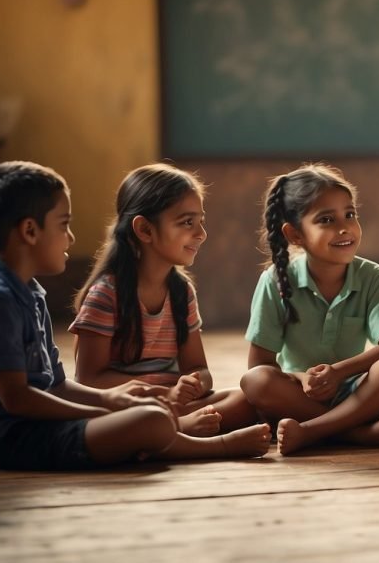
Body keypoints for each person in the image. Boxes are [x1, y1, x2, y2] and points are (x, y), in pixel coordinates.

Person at [0, 161, 270, 470]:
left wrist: (116, 401)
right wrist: (106, 409)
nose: (70, 237)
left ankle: (154, 433)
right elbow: (17, 400)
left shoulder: (27, 292)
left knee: (229, 401)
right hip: (9, 440)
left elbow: (54, 384)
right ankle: (211, 445)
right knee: (150, 420)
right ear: (30, 230)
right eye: (64, 225)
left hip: (41, 423)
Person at [71, 164, 257, 436]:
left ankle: (167, 430)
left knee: (244, 401)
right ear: (145, 229)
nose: (201, 234)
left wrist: (193, 383)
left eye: (200, 221)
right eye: (187, 222)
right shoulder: (106, 294)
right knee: (121, 420)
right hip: (126, 406)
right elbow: (88, 380)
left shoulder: (182, 292)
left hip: (174, 403)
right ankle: (171, 430)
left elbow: (199, 368)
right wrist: (156, 393)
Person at [240, 163, 379, 455]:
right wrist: (302, 378)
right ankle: (354, 433)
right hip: (300, 394)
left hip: (358, 391)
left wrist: (337, 373)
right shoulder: (274, 281)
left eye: (350, 214)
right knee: (255, 381)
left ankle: (312, 431)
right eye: (326, 220)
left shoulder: (373, 276)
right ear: (295, 235)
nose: (344, 227)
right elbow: (260, 364)